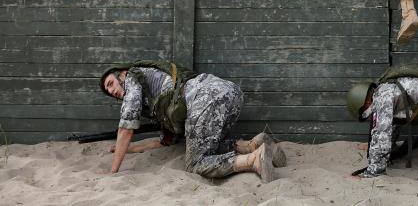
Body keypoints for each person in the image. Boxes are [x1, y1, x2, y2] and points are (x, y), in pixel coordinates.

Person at [99, 60, 286, 181]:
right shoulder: (156, 96)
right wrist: (128, 149)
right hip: (229, 92)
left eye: (110, 84)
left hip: (204, 98)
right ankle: (254, 144)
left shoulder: (132, 77)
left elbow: (126, 129)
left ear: (121, 74)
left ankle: (253, 160)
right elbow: (164, 142)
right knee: (207, 145)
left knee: (194, 163)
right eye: (109, 92)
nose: (112, 91)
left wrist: (113, 171)